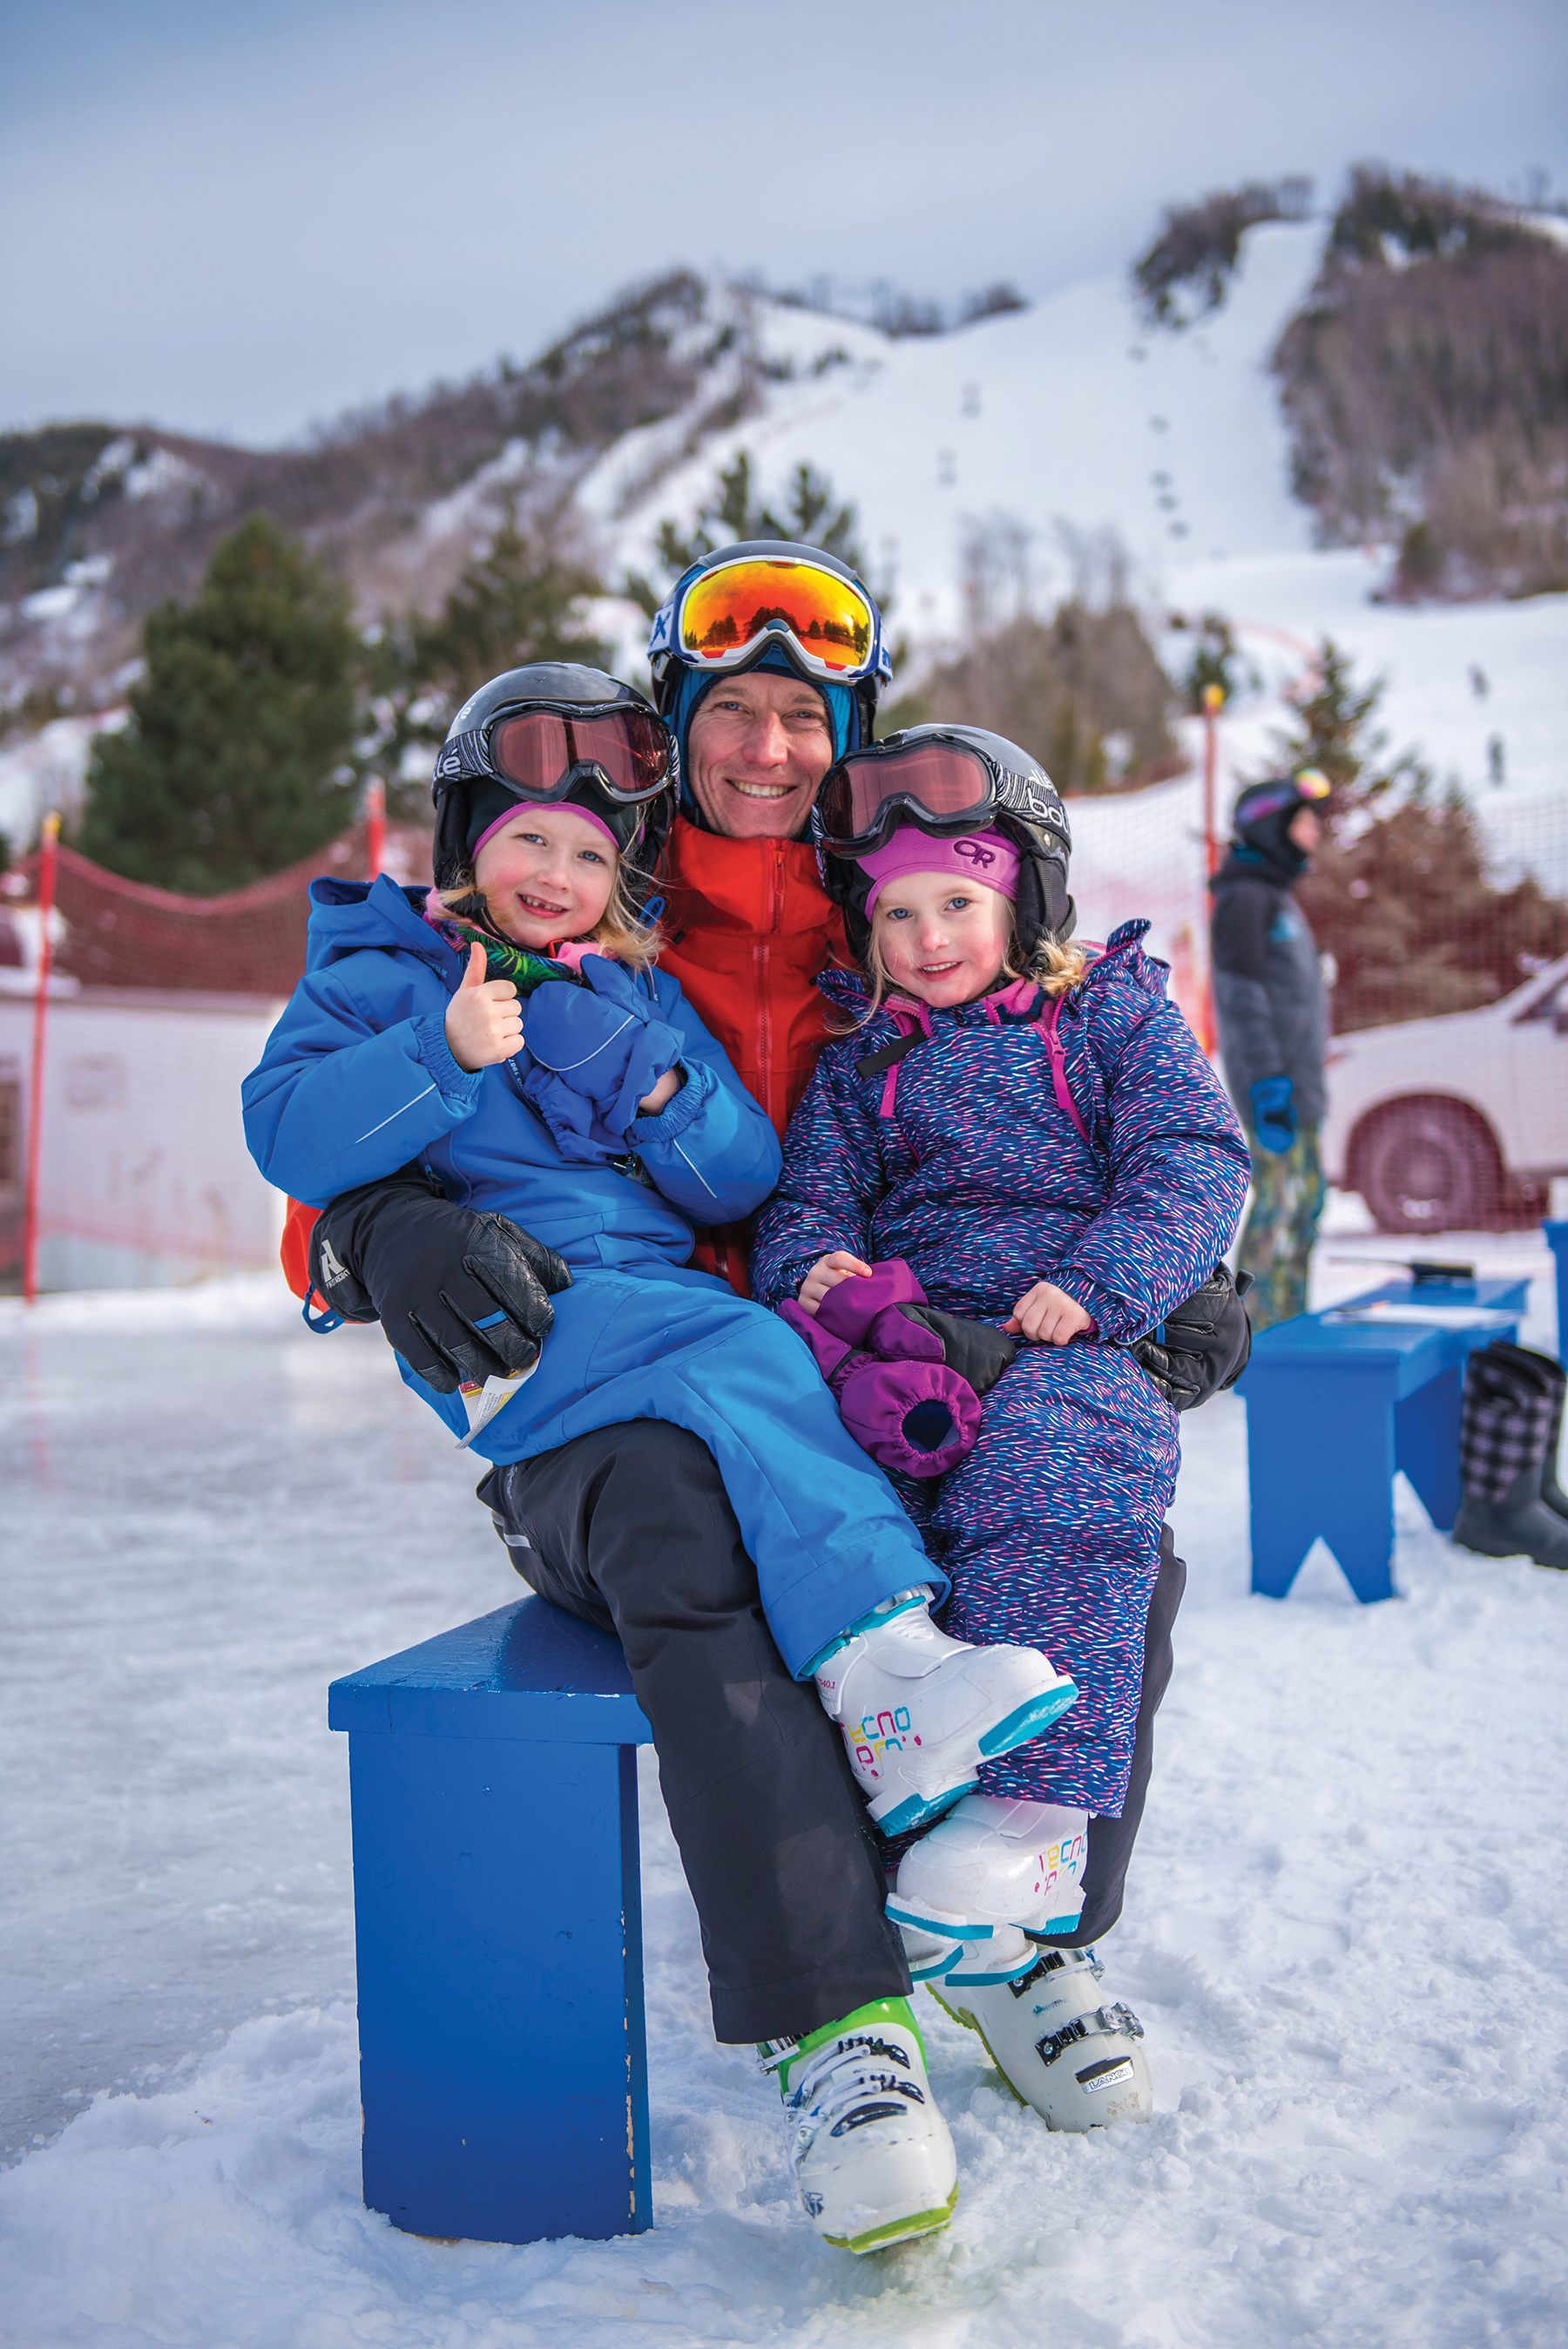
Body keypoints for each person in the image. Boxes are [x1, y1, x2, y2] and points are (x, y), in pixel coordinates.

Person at [243, 660, 1079, 2254]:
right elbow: (294, 1148)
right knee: (688, 1525)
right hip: (560, 1365)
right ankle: (841, 2028)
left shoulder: (752, 947)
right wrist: (409, 1155)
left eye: (583, 854)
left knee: (1055, 1492)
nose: (554, 878)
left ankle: (1018, 1934)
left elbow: (741, 1168)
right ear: (464, 836)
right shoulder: (391, 967)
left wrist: (656, 1078)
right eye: (524, 842)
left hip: (772, 1334)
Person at [749, 723, 1252, 2127]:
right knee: (869, 1560)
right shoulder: (862, 1070)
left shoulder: (1108, 1015)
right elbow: (808, 1200)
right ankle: (884, 1939)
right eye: (895, 914)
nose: (924, 938)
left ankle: (1027, 1847)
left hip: (1061, 1336)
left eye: (956, 904)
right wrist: (814, 1269)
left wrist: (1099, 1288)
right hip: (905, 1339)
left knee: (1071, 1485)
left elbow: (1195, 1158)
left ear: (1022, 897)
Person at [1209, 771, 1333, 1330]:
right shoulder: (1244, 900)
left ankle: (1291, 1322)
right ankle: (1258, 1333)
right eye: (1304, 822)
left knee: (1306, 1203)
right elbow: (1240, 1000)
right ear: (1270, 829)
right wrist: (1266, 1083)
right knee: (1283, 1205)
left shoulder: (1277, 897)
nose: (1314, 833)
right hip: (1273, 1087)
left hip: (1298, 1085)